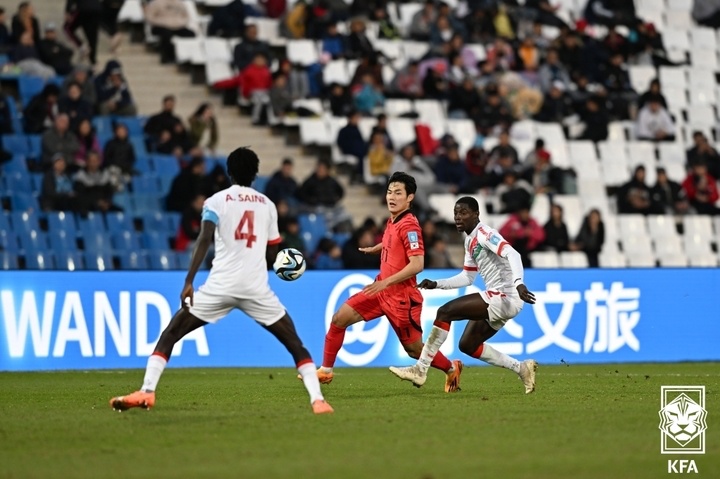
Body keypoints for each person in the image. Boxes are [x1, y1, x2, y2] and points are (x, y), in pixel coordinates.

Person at [110, 147, 334, 415]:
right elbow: (273, 253)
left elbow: (204, 239)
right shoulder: (268, 205)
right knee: (294, 343)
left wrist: (189, 280)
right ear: (255, 174)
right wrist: (268, 265)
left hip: (220, 286)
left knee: (171, 333)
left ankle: (146, 392)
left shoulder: (216, 201)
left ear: (229, 172)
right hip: (255, 287)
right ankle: (317, 400)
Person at [315, 172, 462, 392]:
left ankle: (451, 368)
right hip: (380, 290)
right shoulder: (393, 219)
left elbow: (417, 264)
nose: (391, 197)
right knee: (339, 319)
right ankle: (326, 371)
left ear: (410, 197)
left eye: (398, 193)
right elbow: (393, 241)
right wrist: (380, 247)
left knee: (414, 350)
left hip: (402, 298)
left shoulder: (410, 226)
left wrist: (386, 283)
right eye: (389, 192)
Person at [389, 196, 538, 394]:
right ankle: (521, 368)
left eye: (464, 213)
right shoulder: (470, 240)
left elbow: (513, 254)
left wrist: (519, 283)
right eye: (456, 213)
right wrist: (437, 284)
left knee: (445, 312)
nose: (458, 217)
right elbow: (468, 277)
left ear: (476, 214)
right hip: (499, 297)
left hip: (505, 295)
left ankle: (420, 369)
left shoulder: (485, 233)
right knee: (468, 345)